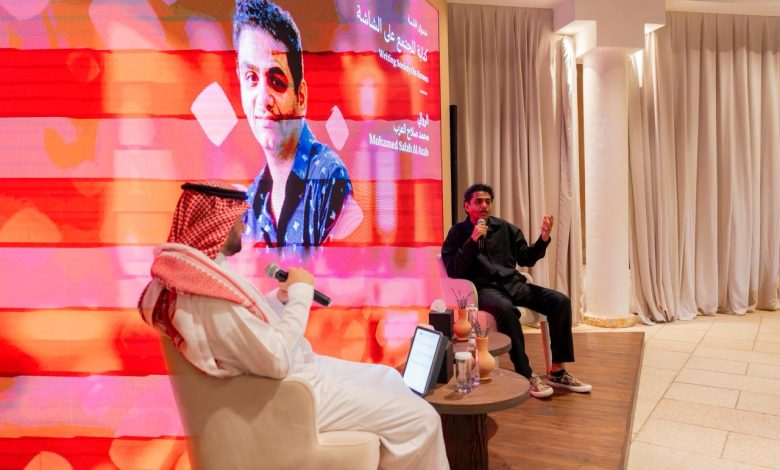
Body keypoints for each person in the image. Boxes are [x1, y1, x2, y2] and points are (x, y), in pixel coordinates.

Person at [139, 181, 448, 469]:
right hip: (292, 394)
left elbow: (246, 333)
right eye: (237, 220)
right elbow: (276, 358)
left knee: (389, 378)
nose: (243, 227)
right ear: (214, 224)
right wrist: (300, 295)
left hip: (294, 381)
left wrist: (279, 300)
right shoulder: (207, 297)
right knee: (423, 421)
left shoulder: (199, 281)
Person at [441, 183, 591, 398]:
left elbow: (527, 258)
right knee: (506, 310)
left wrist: (543, 238)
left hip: (514, 284)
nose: (484, 205)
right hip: (486, 290)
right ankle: (526, 373)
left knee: (560, 301)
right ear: (467, 206)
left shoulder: (506, 229)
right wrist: (472, 240)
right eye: (478, 201)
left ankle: (557, 371)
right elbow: (454, 269)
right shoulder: (457, 233)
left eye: (487, 201)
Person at [234, 0, 362, 247]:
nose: (263, 99)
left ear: (300, 97)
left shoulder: (327, 177)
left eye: (277, 81)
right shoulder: (253, 201)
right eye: (251, 78)